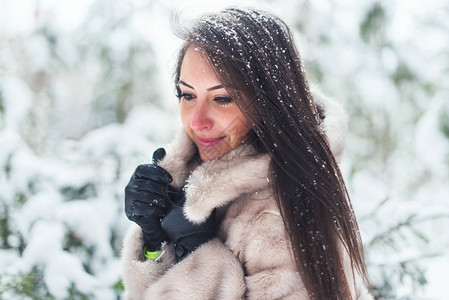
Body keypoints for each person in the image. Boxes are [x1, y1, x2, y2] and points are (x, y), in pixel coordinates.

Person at [121, 7, 373, 300]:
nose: (197, 120)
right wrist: (156, 239)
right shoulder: (196, 179)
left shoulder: (283, 211)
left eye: (223, 98)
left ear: (268, 104)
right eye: (187, 95)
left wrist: (196, 253)